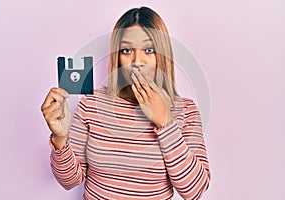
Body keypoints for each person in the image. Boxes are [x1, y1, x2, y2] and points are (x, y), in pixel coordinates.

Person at [41, 6, 211, 200]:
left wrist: (165, 123)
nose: (137, 61)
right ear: (117, 56)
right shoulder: (91, 103)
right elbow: (69, 181)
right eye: (127, 50)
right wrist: (60, 139)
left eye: (149, 50)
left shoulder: (186, 110)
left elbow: (194, 191)